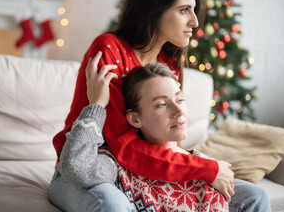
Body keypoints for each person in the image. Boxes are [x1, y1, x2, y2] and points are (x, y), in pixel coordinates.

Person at [48, 0, 271, 211]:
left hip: (144, 173)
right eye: (184, 10)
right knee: (113, 205)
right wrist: (202, 168)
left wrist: (203, 166)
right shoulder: (109, 49)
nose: (195, 21)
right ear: (154, 10)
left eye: (194, 9)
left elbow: (165, 137)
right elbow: (124, 147)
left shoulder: (168, 59)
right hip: (93, 170)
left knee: (254, 197)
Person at [58, 62, 230, 211]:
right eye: (162, 104)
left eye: (180, 100)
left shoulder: (210, 174)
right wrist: (96, 105)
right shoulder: (119, 167)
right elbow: (76, 166)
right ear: (135, 118)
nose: (179, 112)